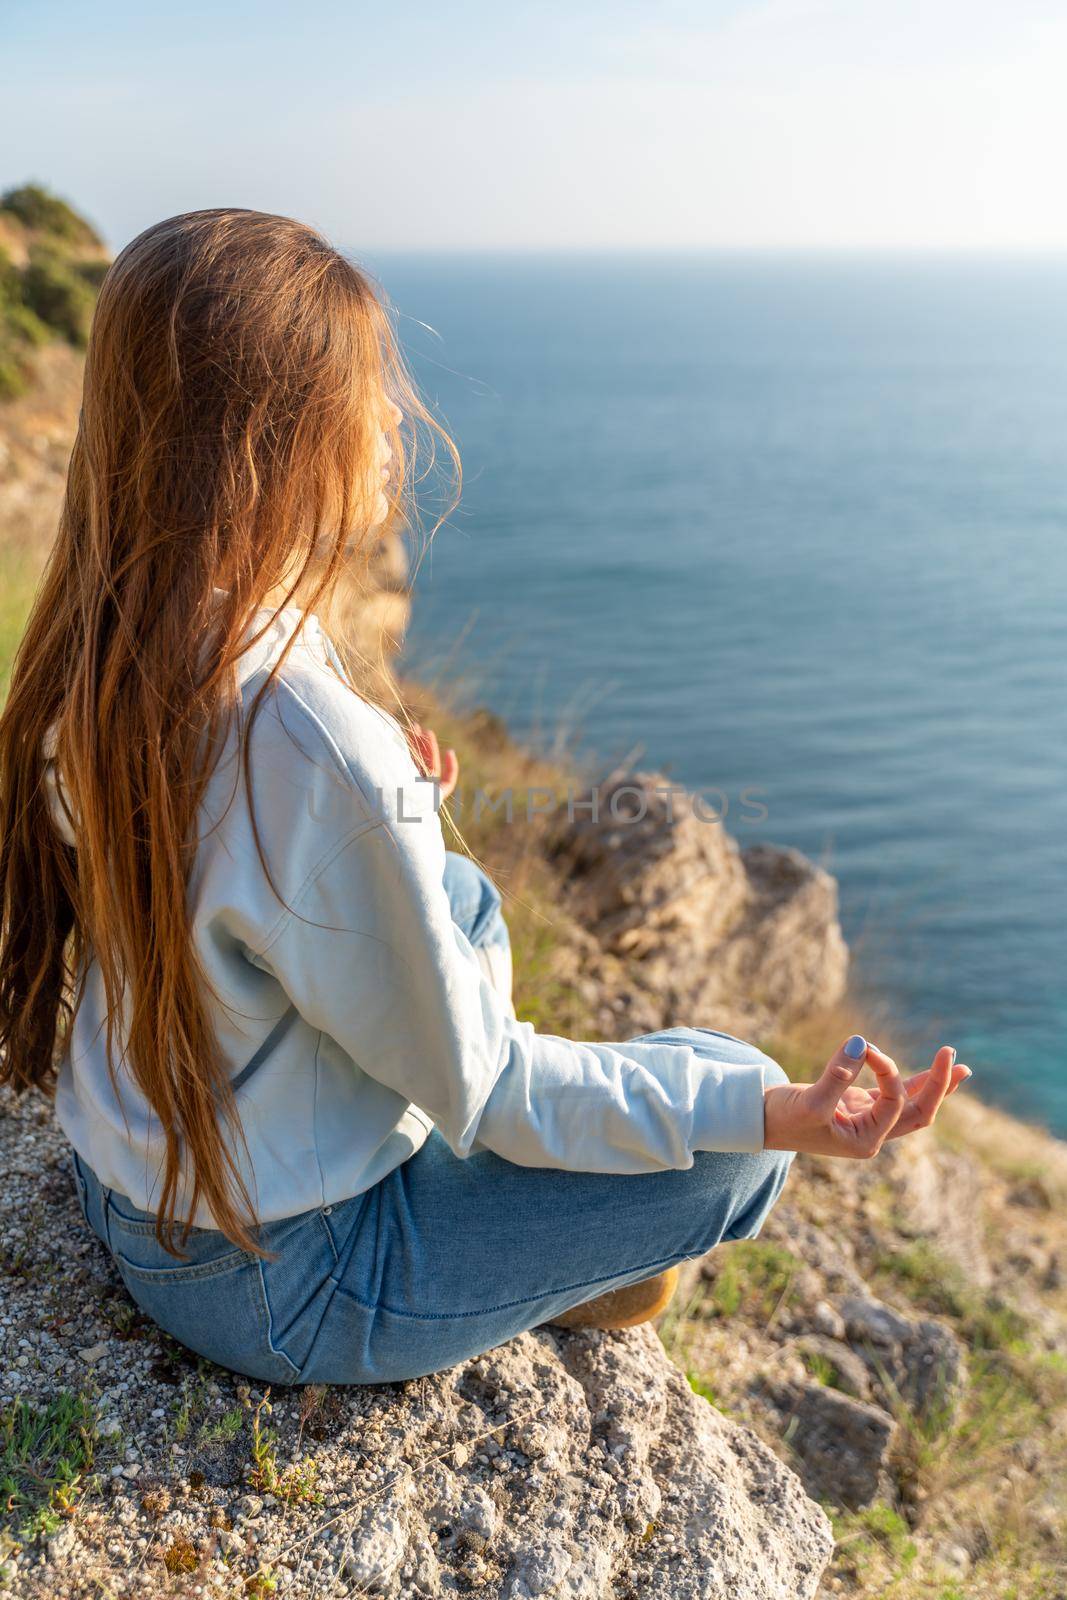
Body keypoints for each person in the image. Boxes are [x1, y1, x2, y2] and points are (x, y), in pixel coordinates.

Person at [0, 210, 971, 1386]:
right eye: (366, 393)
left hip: (140, 1193)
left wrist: (386, 825)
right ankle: (535, 1265)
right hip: (284, 1281)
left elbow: (232, 868)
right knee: (737, 1142)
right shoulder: (303, 740)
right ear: (276, 438)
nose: (392, 423)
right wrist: (778, 1114)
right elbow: (494, 1089)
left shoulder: (109, 645)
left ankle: (513, 1217)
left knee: (455, 896)